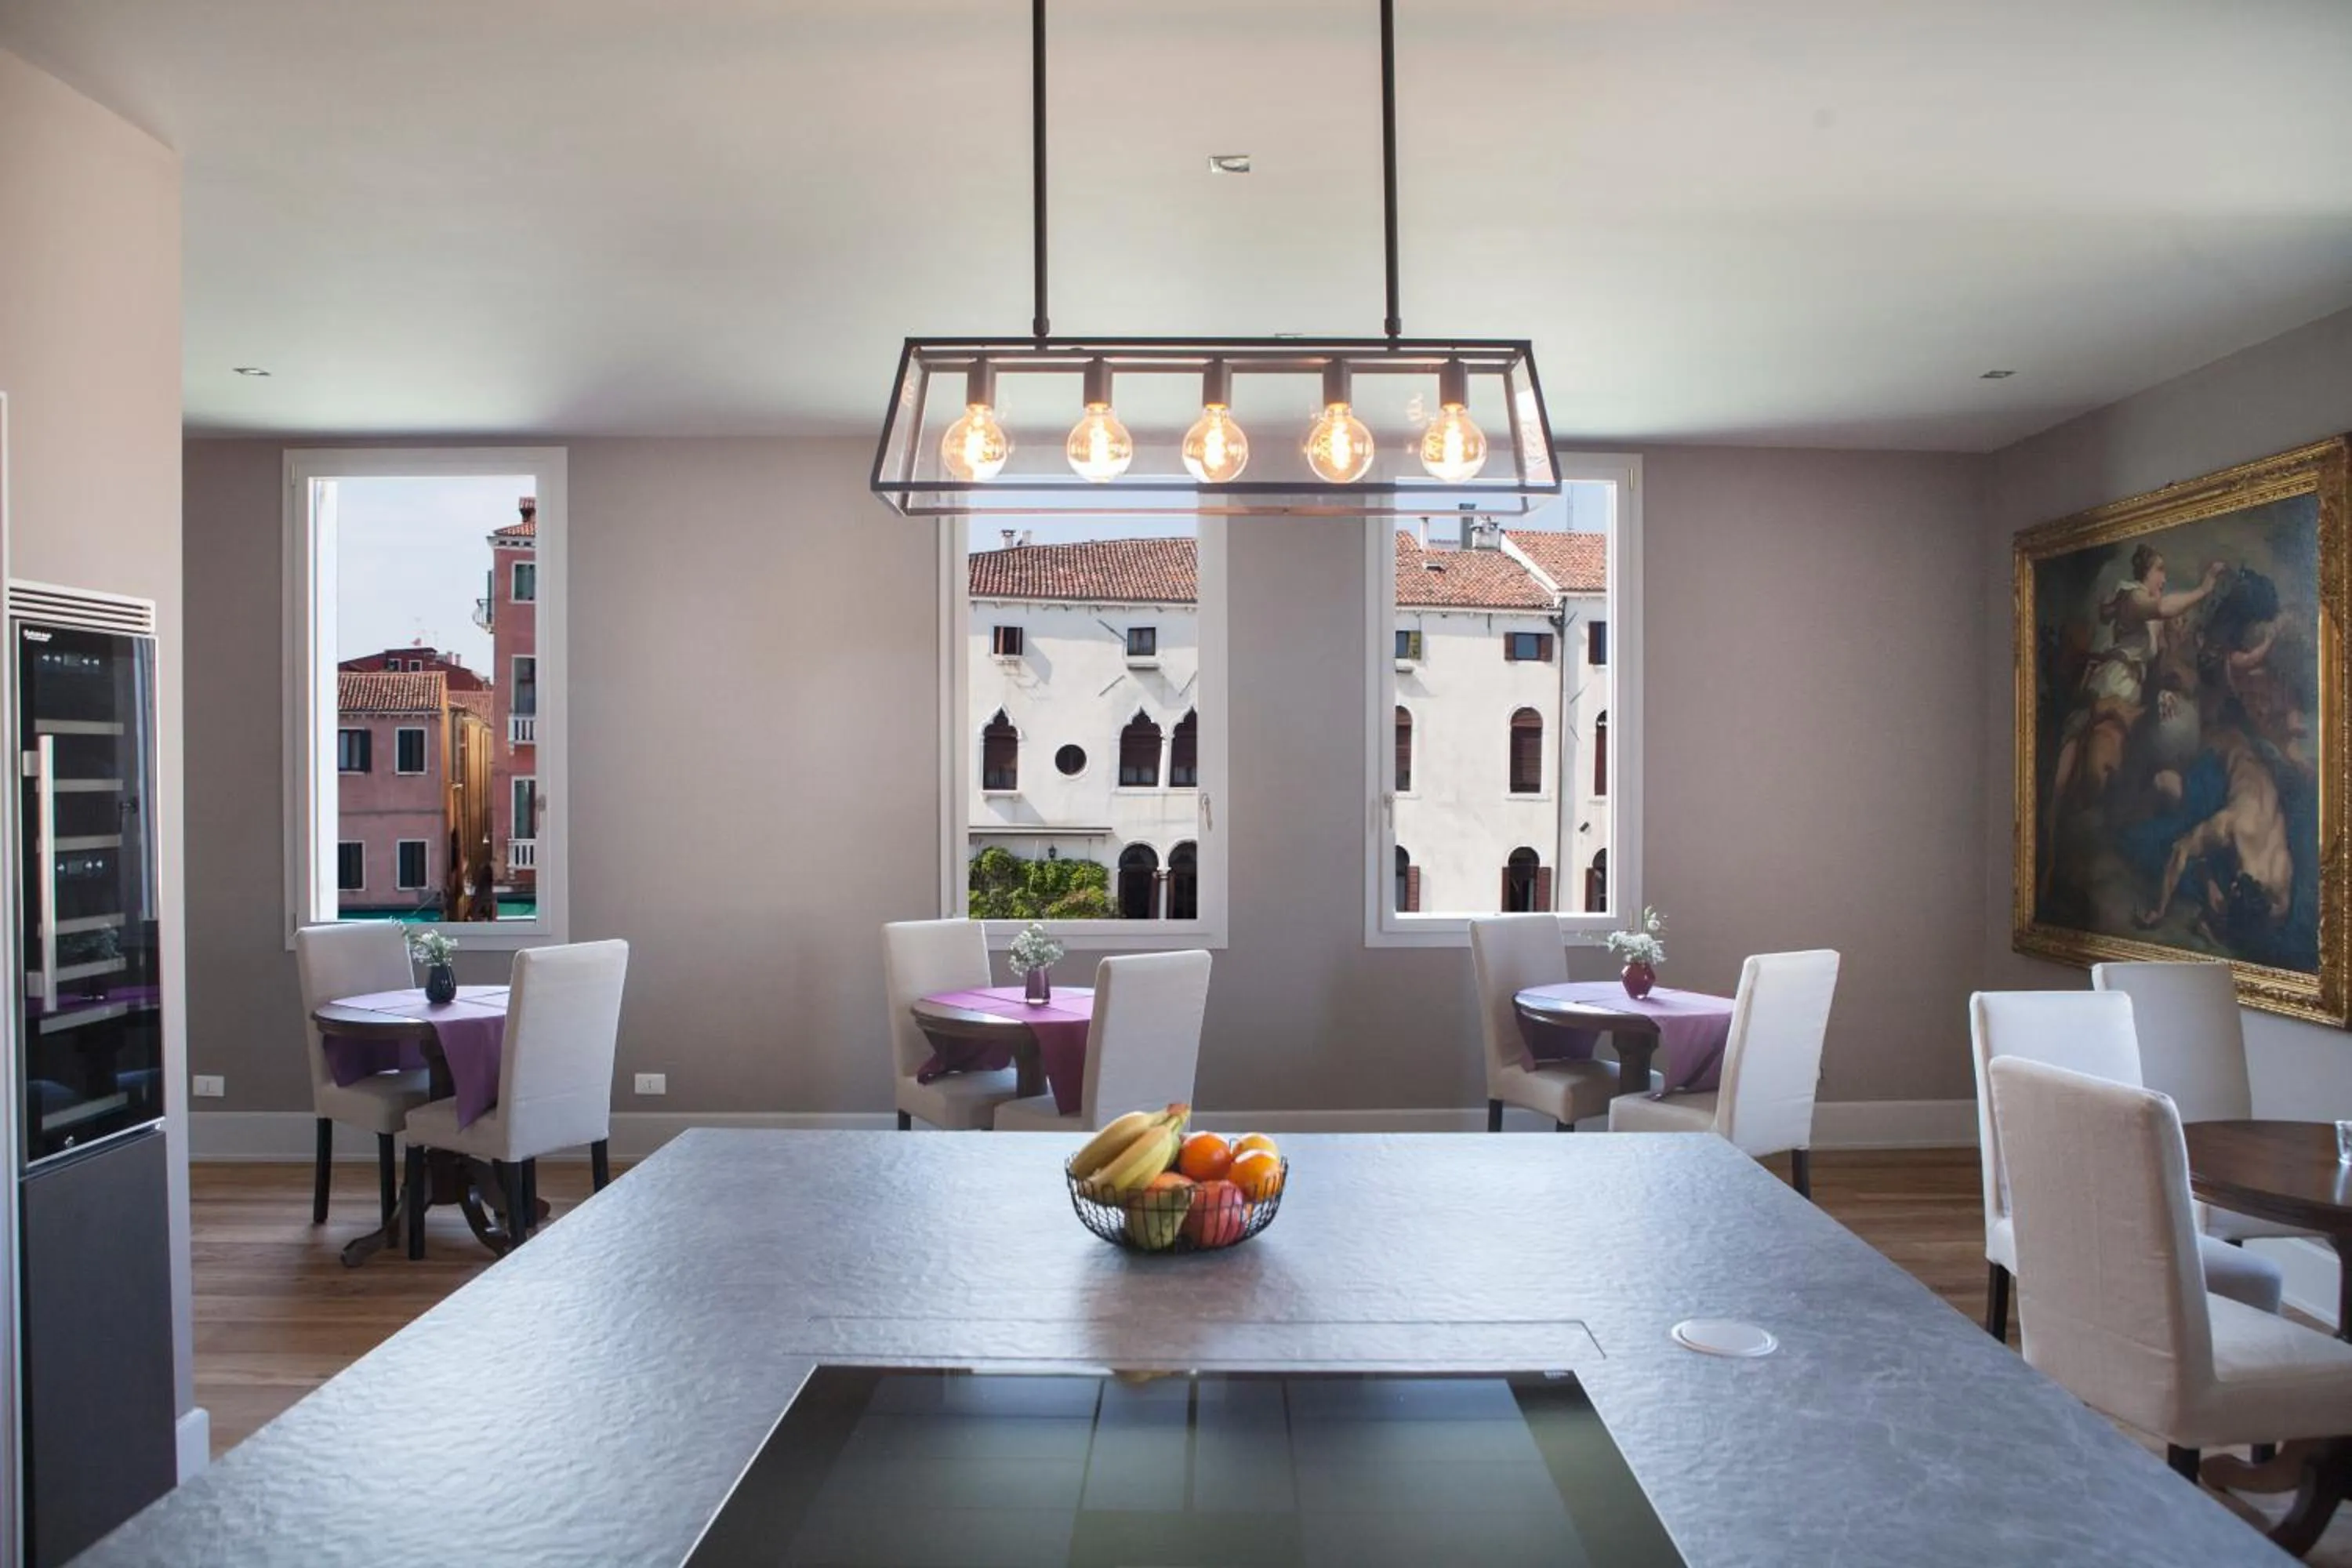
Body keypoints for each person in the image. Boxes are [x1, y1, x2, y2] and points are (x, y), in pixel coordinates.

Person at [2039, 546, 2224, 901]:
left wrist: (2161, 694)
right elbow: (2164, 606)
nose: (2164, 578)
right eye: (2160, 571)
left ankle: (2079, 847)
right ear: (2144, 573)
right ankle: (2050, 860)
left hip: (2131, 695)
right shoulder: (2132, 596)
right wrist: (2204, 588)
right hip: (2112, 687)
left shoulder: (2154, 625)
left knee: (2096, 780)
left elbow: (2157, 671)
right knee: (2064, 784)